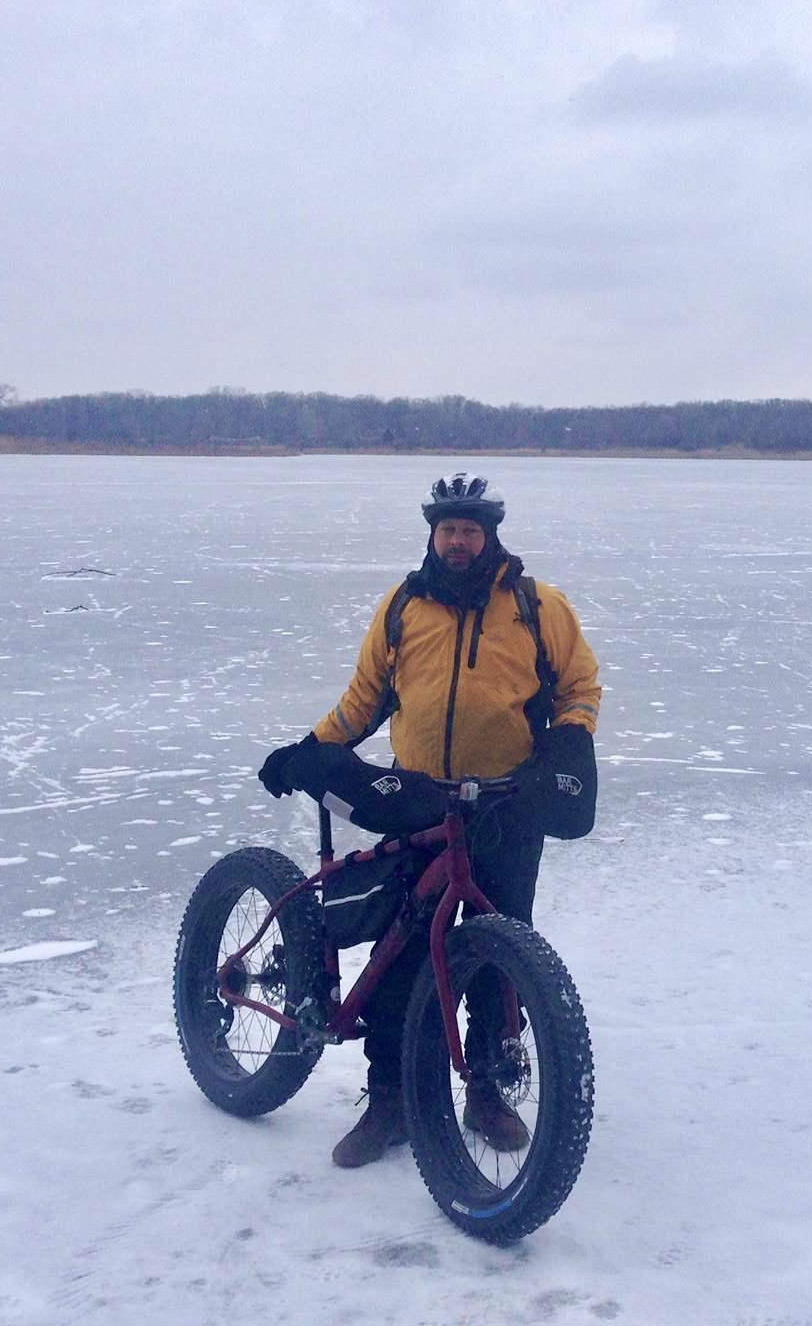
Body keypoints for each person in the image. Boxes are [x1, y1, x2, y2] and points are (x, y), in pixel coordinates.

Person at [257, 474, 601, 1167]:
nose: (459, 541)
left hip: (508, 807)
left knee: (499, 954)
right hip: (417, 803)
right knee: (402, 953)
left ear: (490, 535)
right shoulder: (403, 608)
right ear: (432, 535)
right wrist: (312, 750)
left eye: (470, 530)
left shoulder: (537, 607)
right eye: (448, 530)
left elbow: (579, 688)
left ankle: (486, 1092)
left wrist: (566, 746)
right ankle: (389, 1098)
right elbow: (364, 701)